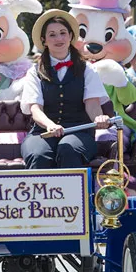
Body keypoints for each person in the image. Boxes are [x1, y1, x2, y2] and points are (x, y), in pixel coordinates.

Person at [20, 10, 111, 169]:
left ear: (70, 36)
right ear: (44, 40)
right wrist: (50, 125)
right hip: (43, 132)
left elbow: (92, 104)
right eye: (52, 35)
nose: (59, 38)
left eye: (63, 33)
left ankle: (74, 194)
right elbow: (35, 109)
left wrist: (99, 118)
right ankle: (41, 194)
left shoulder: (87, 69)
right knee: (38, 154)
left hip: (80, 133)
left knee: (68, 149)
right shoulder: (35, 71)